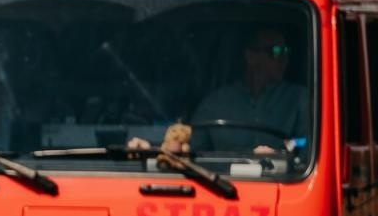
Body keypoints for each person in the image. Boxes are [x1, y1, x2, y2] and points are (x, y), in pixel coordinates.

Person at [130, 27, 309, 156]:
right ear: (251, 56)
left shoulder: (300, 99)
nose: (284, 59)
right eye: (275, 52)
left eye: (286, 52)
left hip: (284, 184)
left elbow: (312, 148)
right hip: (225, 188)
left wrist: (281, 155)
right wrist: (151, 150)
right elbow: (189, 148)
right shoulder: (216, 103)